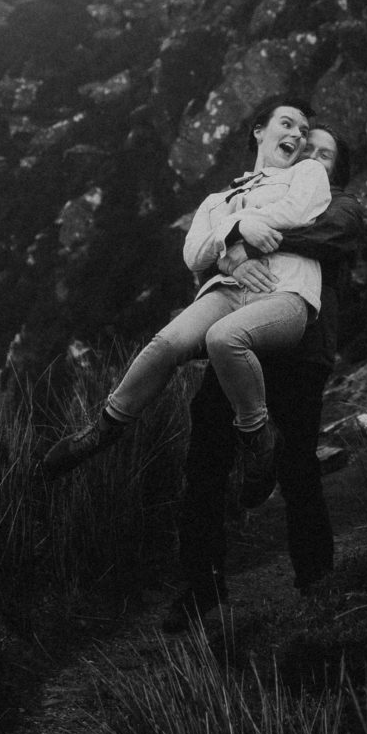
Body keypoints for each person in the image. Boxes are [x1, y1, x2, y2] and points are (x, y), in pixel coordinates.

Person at [39, 98, 330, 495]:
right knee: (166, 343)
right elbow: (193, 255)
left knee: (224, 339)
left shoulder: (308, 172)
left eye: (302, 130)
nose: (297, 134)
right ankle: (103, 429)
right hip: (226, 292)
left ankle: (260, 439)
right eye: (287, 123)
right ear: (259, 132)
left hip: (284, 293)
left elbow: (297, 212)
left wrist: (229, 234)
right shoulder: (215, 200)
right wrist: (240, 225)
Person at [165, 122, 367, 630]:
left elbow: (334, 235)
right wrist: (234, 235)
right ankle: (201, 586)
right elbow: (203, 261)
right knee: (205, 457)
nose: (313, 157)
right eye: (309, 148)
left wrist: (243, 240)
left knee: (298, 467)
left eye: (326, 153)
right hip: (241, 341)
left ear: (335, 169)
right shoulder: (268, 197)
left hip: (301, 349)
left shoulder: (337, 204)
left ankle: (316, 585)